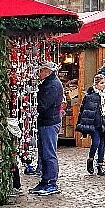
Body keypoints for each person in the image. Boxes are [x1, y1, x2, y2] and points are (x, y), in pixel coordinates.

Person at [31, 60, 64, 197]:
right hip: (46, 122)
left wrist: (33, 107)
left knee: (49, 153)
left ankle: (51, 182)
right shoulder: (49, 83)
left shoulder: (53, 85)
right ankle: (45, 180)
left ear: (47, 71)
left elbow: (43, 105)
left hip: (49, 122)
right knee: (44, 153)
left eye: (41, 71)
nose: (39, 73)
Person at [76, 73, 105, 176]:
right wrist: (83, 125)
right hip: (94, 124)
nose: (103, 85)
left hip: (104, 123)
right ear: (96, 84)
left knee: (102, 144)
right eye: (101, 83)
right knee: (96, 142)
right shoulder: (91, 96)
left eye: (104, 83)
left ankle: (100, 166)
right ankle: (90, 159)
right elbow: (84, 111)